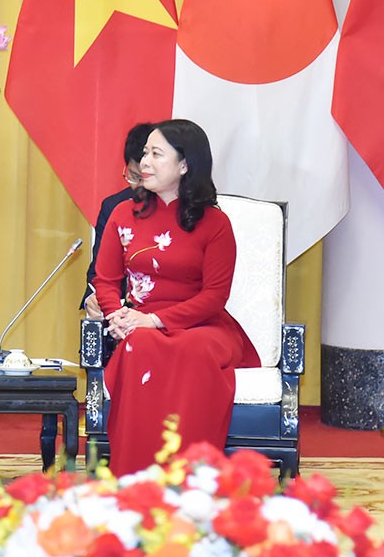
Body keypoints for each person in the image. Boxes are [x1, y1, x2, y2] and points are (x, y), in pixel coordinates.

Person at [93, 119, 260, 476]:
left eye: (156, 154)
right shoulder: (124, 214)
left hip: (203, 325)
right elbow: (105, 280)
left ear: (184, 165)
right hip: (140, 323)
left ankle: (191, 479)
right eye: (144, 154)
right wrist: (117, 315)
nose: (145, 162)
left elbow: (215, 296)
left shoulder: (215, 223)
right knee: (140, 347)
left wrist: (153, 320)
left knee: (192, 350)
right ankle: (136, 481)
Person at [82, 122, 155, 320]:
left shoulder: (183, 210)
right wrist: (94, 297)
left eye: (147, 178)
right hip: (122, 312)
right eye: (134, 176)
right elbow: (98, 269)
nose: (140, 186)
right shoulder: (114, 206)